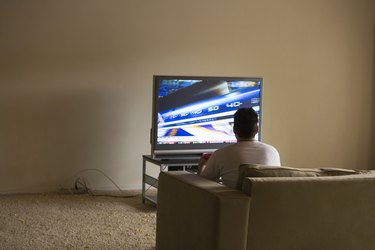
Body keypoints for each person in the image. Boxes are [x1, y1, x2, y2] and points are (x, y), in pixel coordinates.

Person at [198, 107, 281, 188]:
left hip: (236, 202)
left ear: (234, 129)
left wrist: (202, 165)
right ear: (257, 130)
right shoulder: (273, 151)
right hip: (268, 201)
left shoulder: (220, 154)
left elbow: (202, 187)